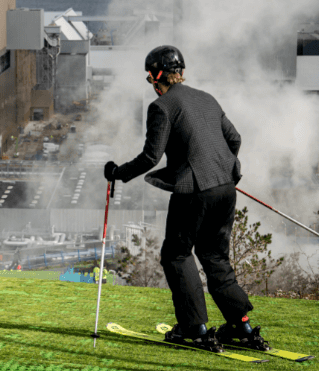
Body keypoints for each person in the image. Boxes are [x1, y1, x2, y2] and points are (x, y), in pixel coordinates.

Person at [103, 45, 269, 353]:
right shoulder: (206, 98)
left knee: (176, 255)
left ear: (156, 76)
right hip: (225, 187)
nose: (150, 82)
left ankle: (195, 330)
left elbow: (151, 156)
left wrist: (117, 172)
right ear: (181, 72)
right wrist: (221, 168)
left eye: (149, 75)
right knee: (215, 257)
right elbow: (234, 139)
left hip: (194, 191)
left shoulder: (162, 106)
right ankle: (241, 327)